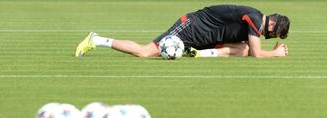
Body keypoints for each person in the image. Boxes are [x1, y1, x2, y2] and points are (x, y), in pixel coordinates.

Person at [75, 4, 290, 58]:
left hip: (205, 38)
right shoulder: (254, 18)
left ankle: (198, 53)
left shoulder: (253, 22)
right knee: (144, 52)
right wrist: (276, 54)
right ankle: (98, 39)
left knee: (242, 49)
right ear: (272, 25)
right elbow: (257, 53)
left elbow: (247, 50)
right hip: (191, 27)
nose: (271, 37)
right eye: (276, 34)